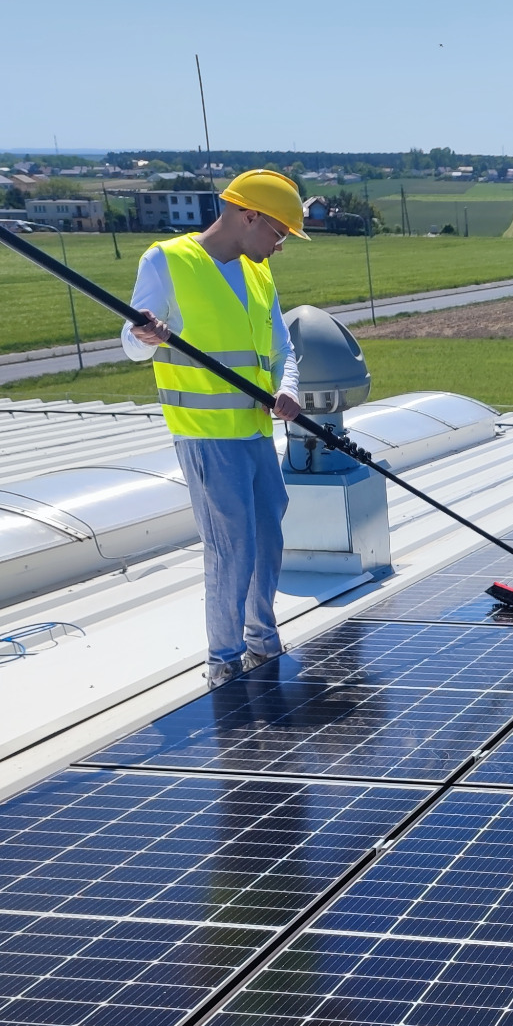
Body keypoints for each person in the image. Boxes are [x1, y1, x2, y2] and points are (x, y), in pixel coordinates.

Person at [121, 171, 307, 686]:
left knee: (267, 539)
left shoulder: (258, 273)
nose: (279, 247)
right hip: (206, 436)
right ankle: (223, 662)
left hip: (254, 434)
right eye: (279, 234)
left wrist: (287, 387)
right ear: (250, 216)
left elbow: (280, 348)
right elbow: (131, 342)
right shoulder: (167, 261)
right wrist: (146, 335)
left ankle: (262, 642)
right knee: (232, 550)